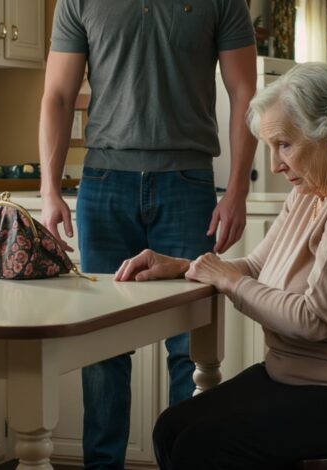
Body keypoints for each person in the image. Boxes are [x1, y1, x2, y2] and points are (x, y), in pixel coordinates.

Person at [115, 62, 327, 470]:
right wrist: (186, 266)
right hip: (303, 378)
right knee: (171, 428)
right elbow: (254, 265)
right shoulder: (311, 189)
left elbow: (315, 318)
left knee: (202, 446)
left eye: (284, 145)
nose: (274, 165)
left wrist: (228, 281)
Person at [38, 1, 257, 468]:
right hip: (103, 185)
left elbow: (245, 93)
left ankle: (186, 460)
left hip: (188, 182)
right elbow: (57, 94)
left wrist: (237, 188)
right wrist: (49, 189)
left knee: (190, 348)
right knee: (102, 348)